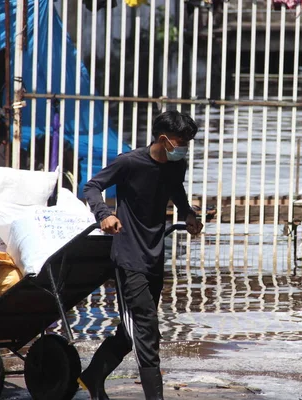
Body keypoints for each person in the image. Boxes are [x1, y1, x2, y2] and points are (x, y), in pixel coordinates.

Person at [80, 110, 203, 400]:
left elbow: (177, 191)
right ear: (163, 139)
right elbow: (92, 186)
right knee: (147, 330)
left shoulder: (176, 166)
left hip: (154, 256)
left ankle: (92, 375)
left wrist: (188, 214)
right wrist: (104, 214)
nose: (184, 147)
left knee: (131, 330)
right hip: (128, 256)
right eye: (180, 142)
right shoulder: (129, 162)